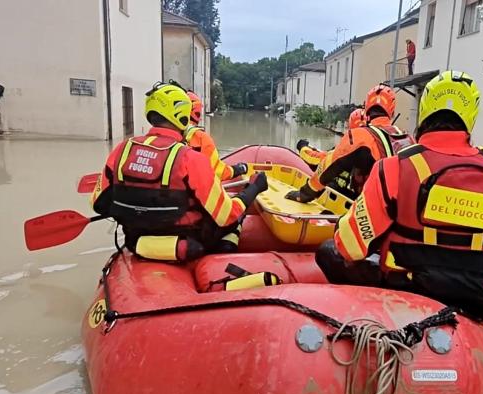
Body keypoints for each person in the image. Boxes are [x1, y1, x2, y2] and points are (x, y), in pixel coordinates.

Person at [315, 71, 483, 322]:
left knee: (327, 251)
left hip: (407, 290)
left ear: (425, 109)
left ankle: (358, 317)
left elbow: (350, 247)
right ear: (470, 116)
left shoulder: (395, 167)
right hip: (478, 297)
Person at [91, 82, 267, 261]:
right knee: (237, 218)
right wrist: (253, 189)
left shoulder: (122, 150)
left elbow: (97, 203)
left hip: (136, 240)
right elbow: (226, 215)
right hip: (188, 242)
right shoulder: (191, 159)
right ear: (182, 116)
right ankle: (223, 258)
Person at [285, 84, 414, 203]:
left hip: (374, 207)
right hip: (403, 209)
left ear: (367, 108)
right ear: (392, 110)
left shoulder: (359, 136)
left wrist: (305, 194)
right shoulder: (408, 138)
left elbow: (327, 166)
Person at [184, 90, 248, 180]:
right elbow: (217, 171)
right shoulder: (200, 138)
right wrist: (238, 169)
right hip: (192, 191)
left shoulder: (159, 136)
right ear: (196, 112)